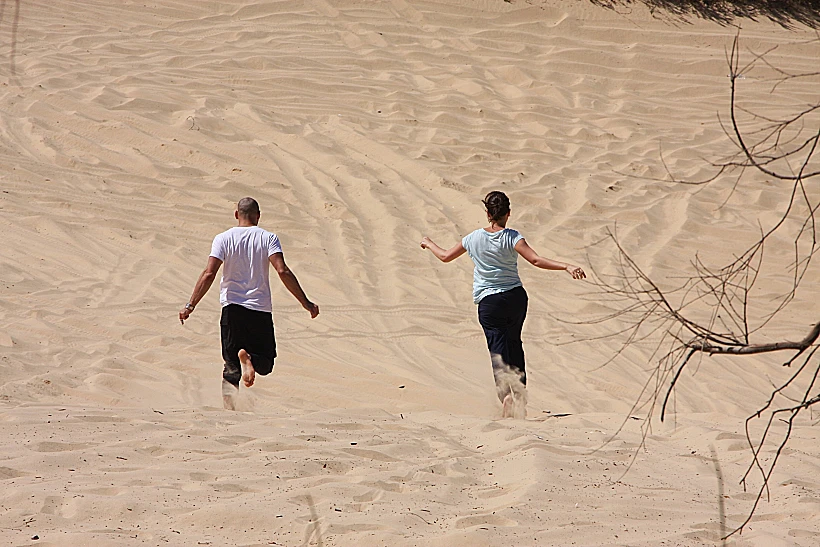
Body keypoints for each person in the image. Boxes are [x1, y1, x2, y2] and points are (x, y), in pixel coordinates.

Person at [420, 191, 585, 418]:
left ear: (488, 214)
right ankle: (519, 397)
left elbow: (446, 256)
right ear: (508, 214)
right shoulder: (512, 237)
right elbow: (536, 260)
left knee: (497, 350)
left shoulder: (472, 238)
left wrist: (428, 243)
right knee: (514, 344)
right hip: (515, 298)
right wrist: (566, 266)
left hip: (489, 303)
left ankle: (506, 397)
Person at [179, 197, 319, 410]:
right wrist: (305, 302)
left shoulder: (223, 238)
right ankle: (251, 359)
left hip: (232, 308)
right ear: (258, 216)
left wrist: (191, 305)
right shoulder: (268, 238)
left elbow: (209, 273)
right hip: (259, 310)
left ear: (236, 214)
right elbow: (282, 270)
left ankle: (230, 413)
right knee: (266, 363)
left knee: (230, 368)